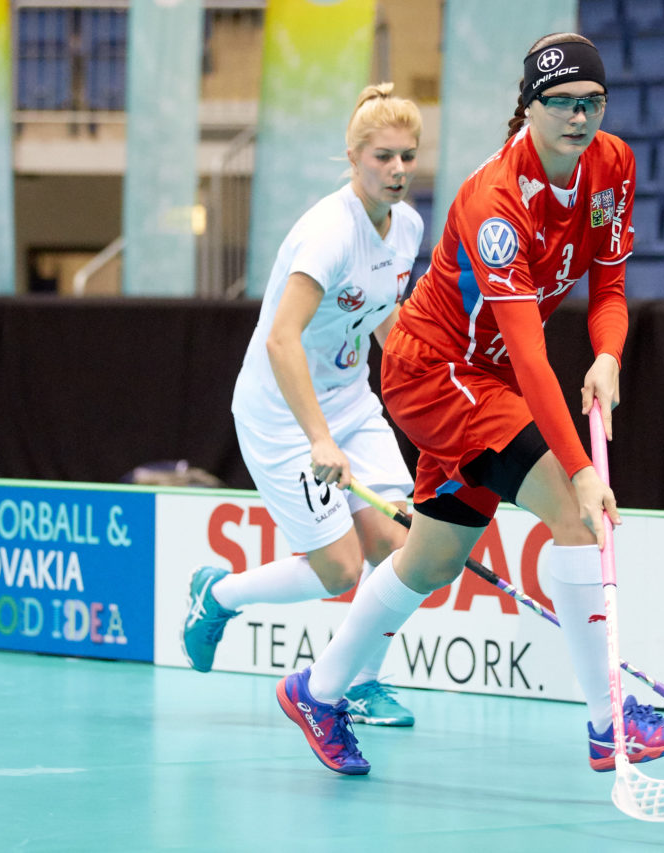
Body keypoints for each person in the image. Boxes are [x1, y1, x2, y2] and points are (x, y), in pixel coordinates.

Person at [274, 34, 664, 776]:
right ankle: (611, 725)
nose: (580, 117)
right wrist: (576, 466)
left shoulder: (614, 165)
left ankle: (315, 690)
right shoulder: (495, 203)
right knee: (575, 518)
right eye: (563, 103)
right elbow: (532, 356)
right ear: (530, 109)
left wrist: (608, 354)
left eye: (593, 102)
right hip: (435, 369)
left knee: (432, 559)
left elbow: (607, 285)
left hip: (488, 374)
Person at [181, 83, 424, 729]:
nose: (398, 170)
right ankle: (218, 595)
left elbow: (381, 317)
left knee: (405, 546)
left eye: (408, 156)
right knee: (337, 567)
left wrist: (422, 387)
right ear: (352, 156)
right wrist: (321, 439)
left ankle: (362, 685)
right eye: (383, 157)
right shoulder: (328, 233)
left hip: (349, 400)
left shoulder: (408, 228)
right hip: (283, 414)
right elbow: (282, 338)